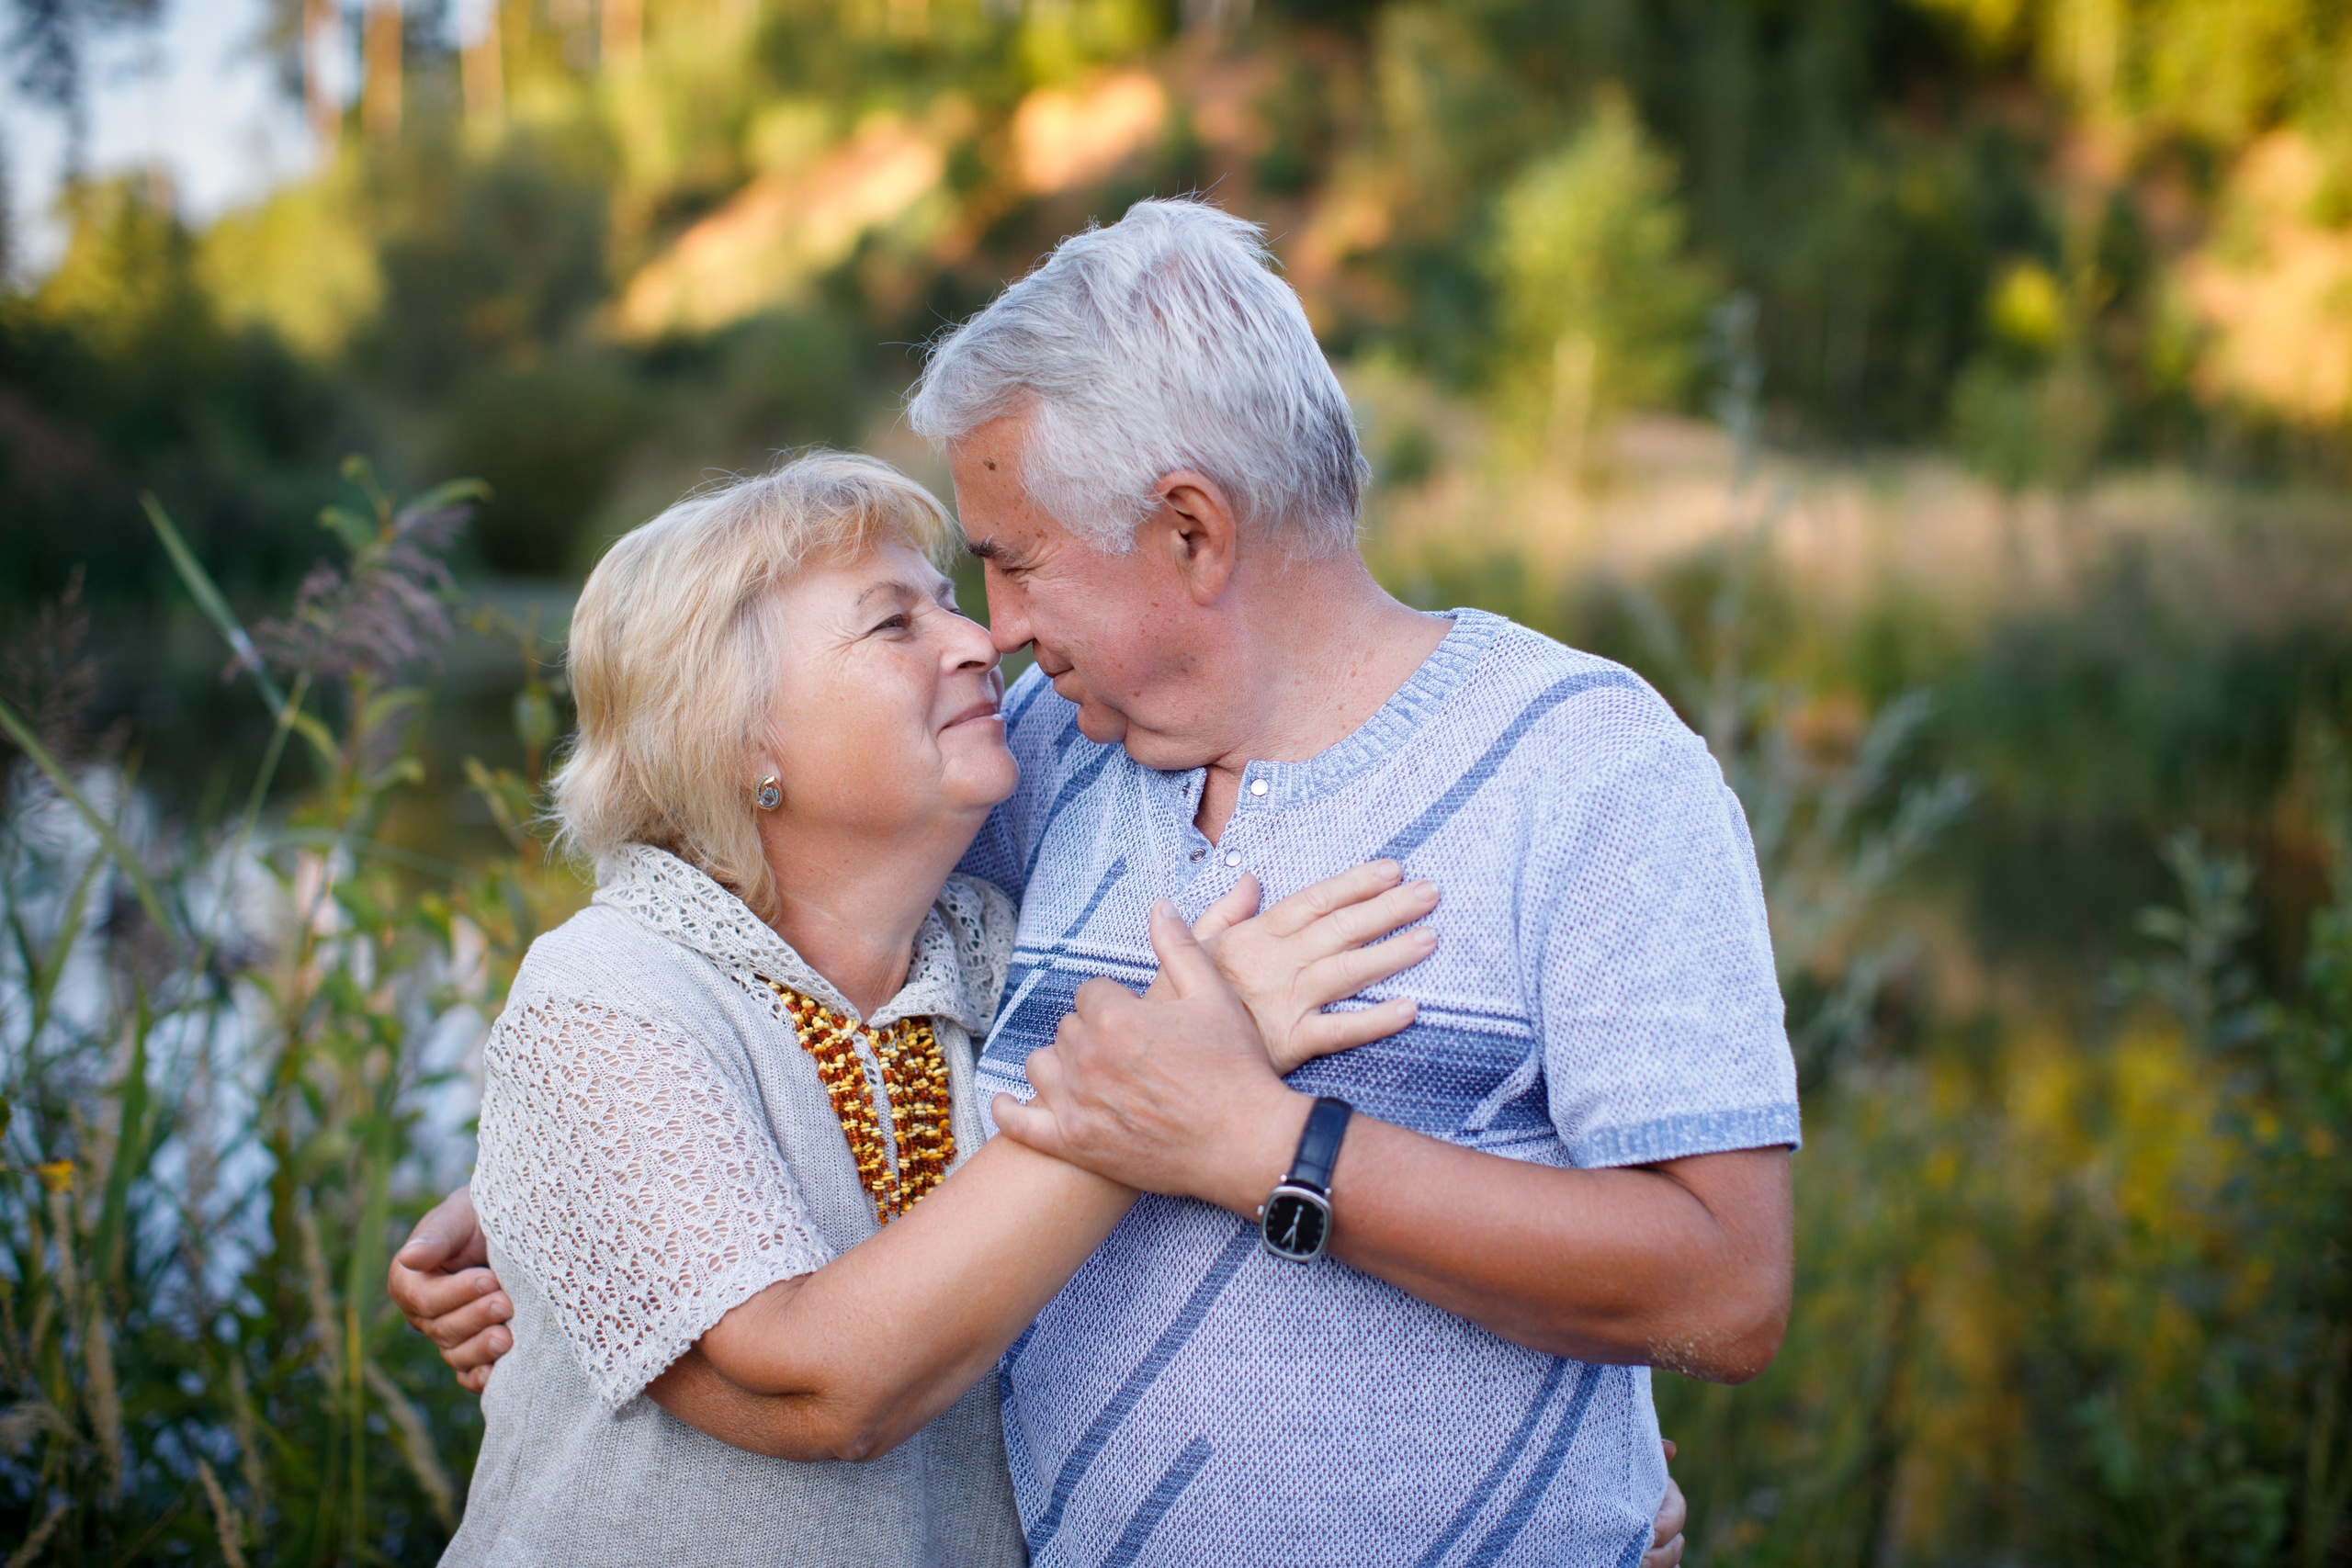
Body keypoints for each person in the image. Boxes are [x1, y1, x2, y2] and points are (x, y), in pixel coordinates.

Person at [399, 198, 1778, 1565]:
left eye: (1010, 560)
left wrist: (1274, 1147)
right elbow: (797, 938)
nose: (990, 633)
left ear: (1190, 530)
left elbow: (1724, 1287)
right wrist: (557, 1193)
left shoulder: (1590, 770)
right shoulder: (1055, 755)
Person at [432, 450, 1442, 1565]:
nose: (982, 642)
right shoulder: (608, 992)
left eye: (950, 604)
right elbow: (826, 1392)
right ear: (739, 740)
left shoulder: (1016, 959)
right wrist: (1152, 1085)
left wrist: (1569, 1485)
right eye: (892, 626)